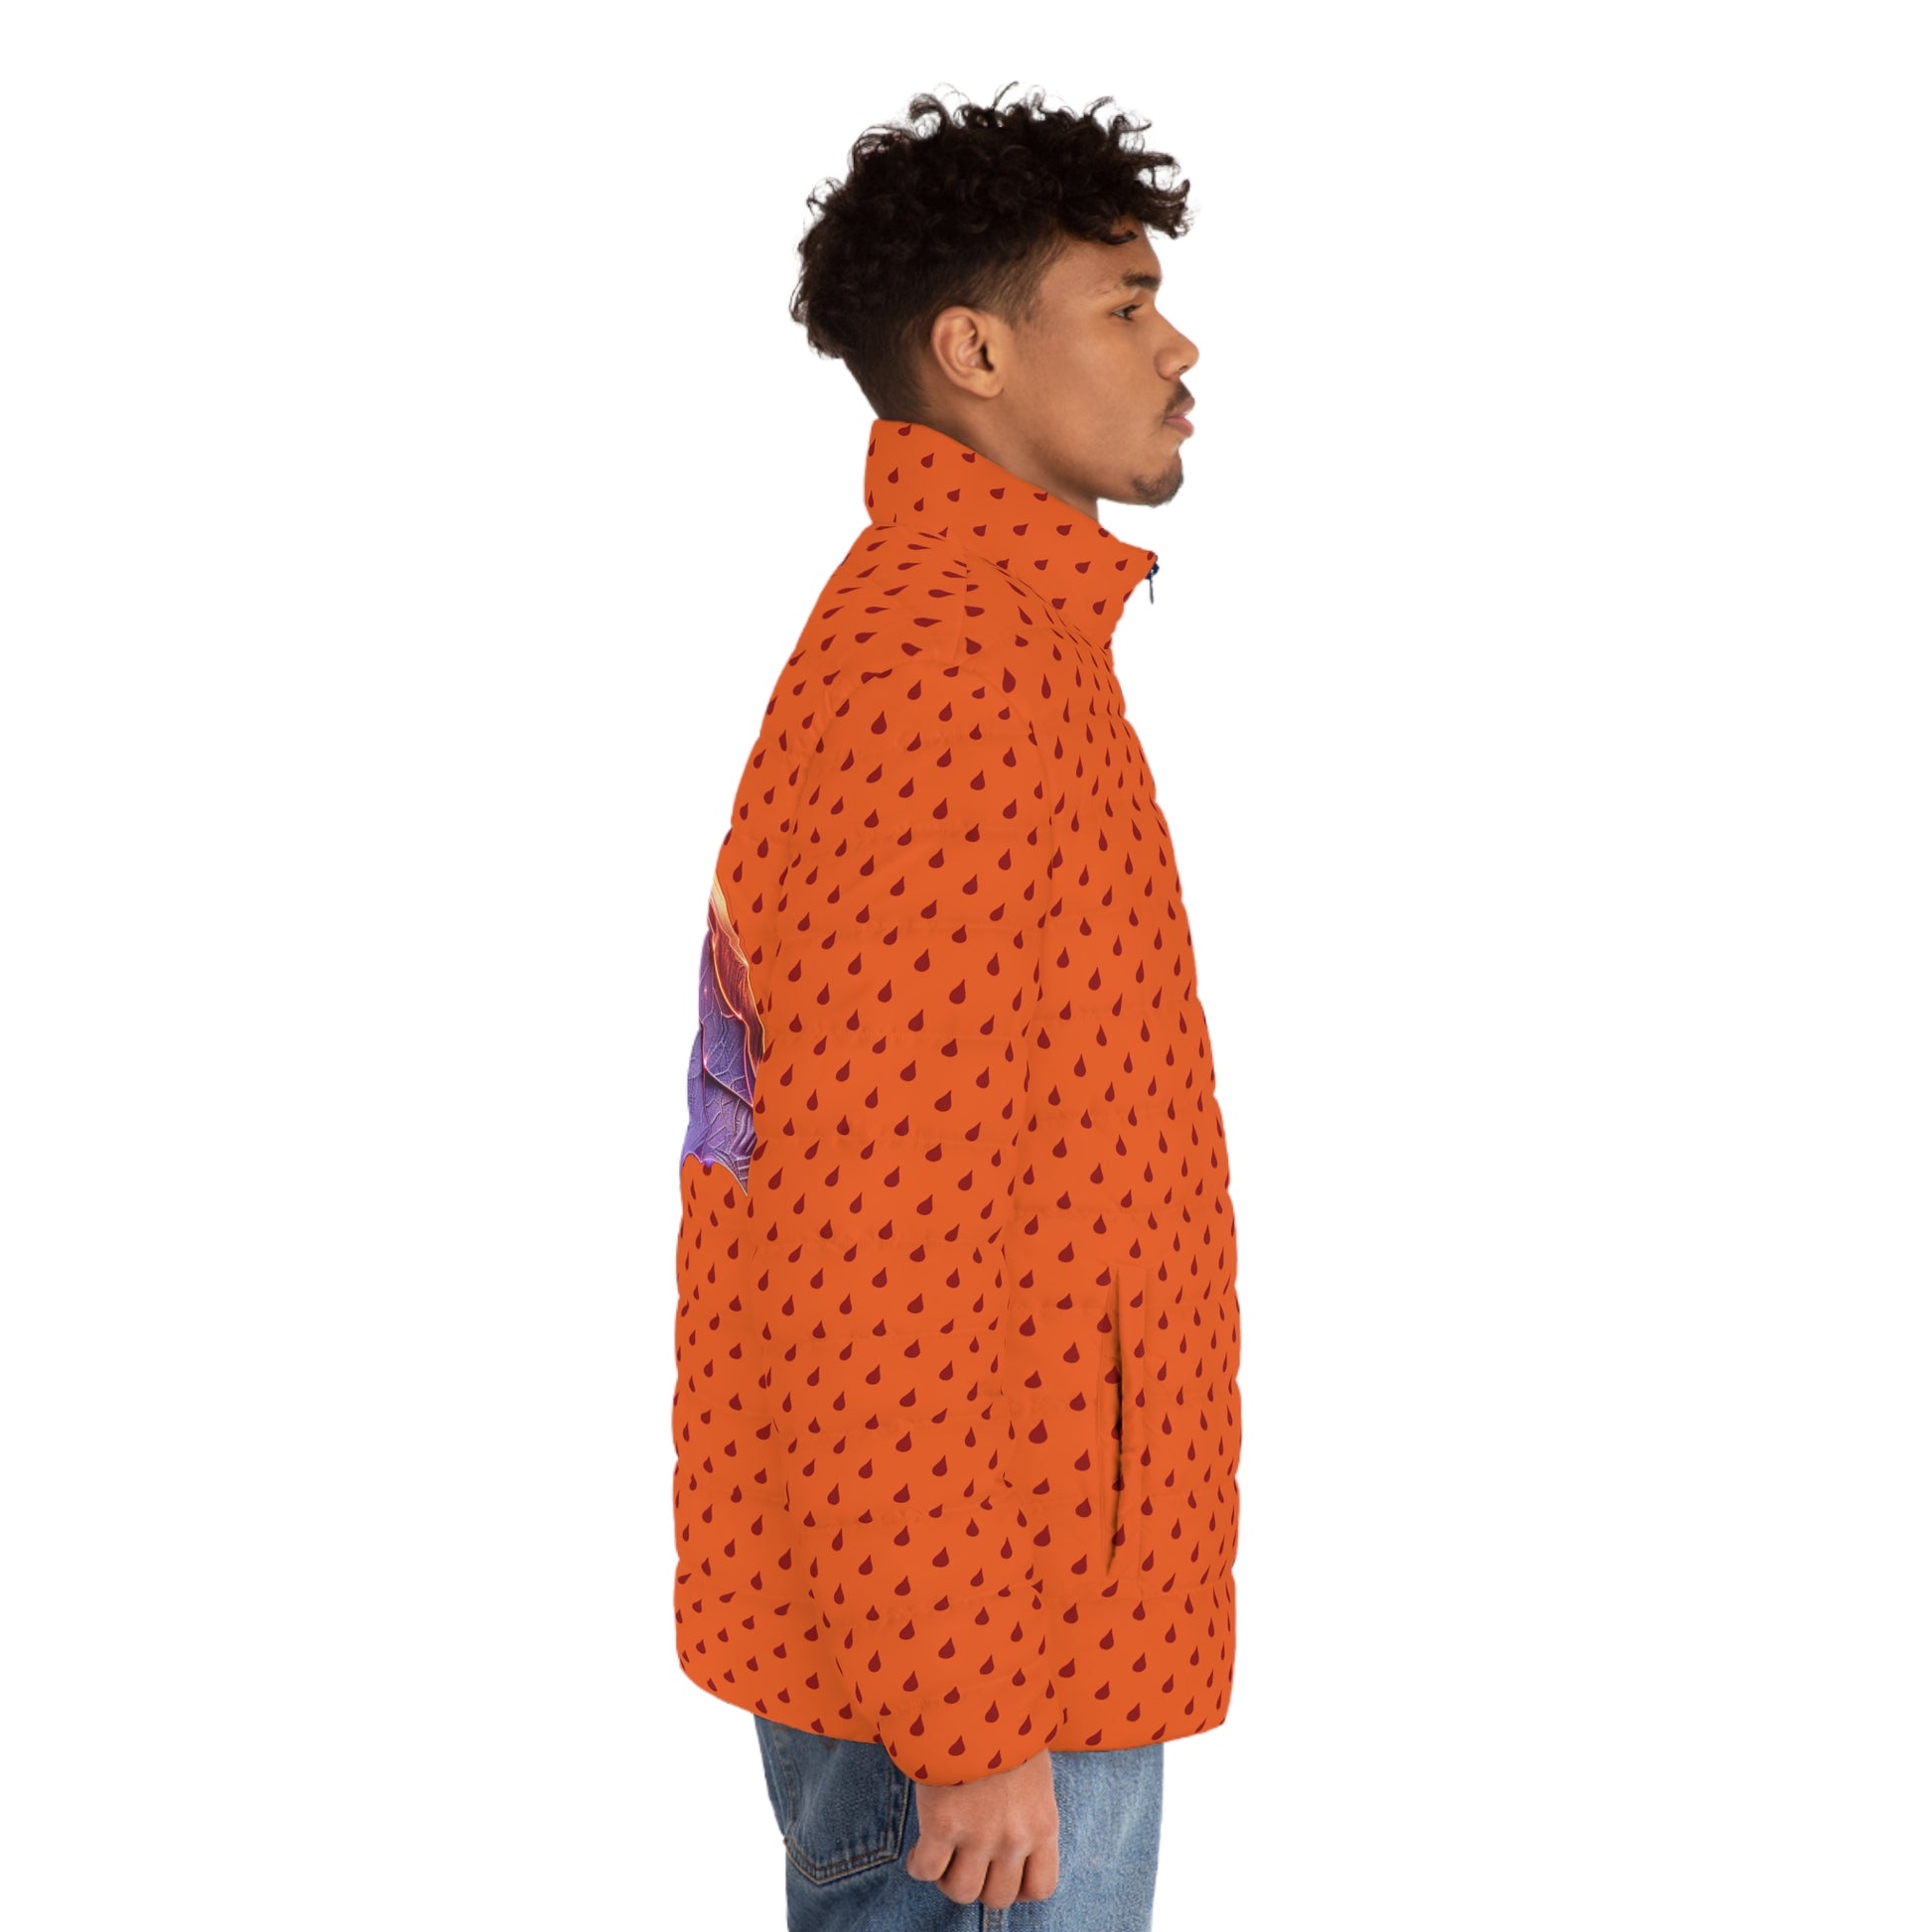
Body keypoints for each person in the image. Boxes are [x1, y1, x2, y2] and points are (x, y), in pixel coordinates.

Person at [672, 82, 1241, 1929]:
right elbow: (865, 1237)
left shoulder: (1000, 646)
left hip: (1017, 1650)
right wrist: (964, 1706)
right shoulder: (942, 681)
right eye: (1124, 304)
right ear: (972, 351)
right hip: (988, 1711)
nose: (1177, 348)